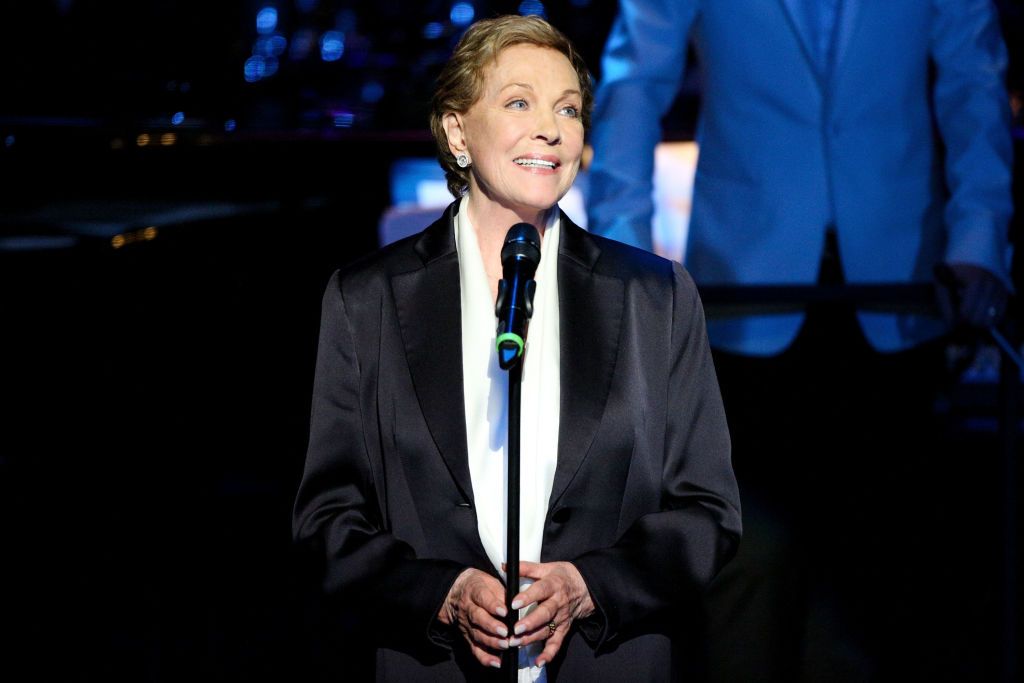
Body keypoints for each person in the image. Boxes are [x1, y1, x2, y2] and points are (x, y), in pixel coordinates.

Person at [292, 14, 741, 682]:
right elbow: (327, 521)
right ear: (455, 131)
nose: (551, 128)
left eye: (569, 108)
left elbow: (709, 515)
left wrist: (590, 584)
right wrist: (439, 592)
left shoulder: (654, 297)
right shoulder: (369, 299)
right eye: (519, 102)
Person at [586, 1, 1014, 681]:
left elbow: (974, 80)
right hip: (741, 295)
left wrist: (979, 240)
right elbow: (633, 84)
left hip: (902, 288)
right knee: (753, 561)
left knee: (888, 568)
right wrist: (626, 256)